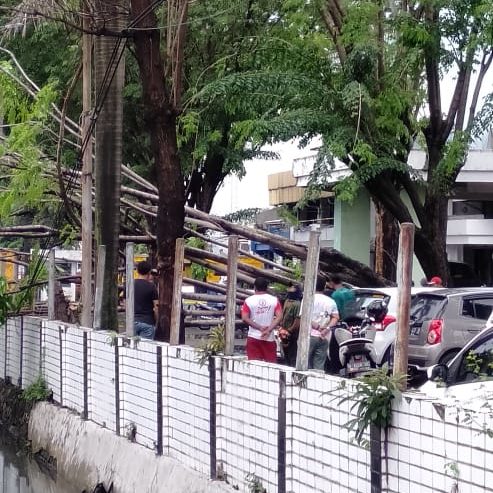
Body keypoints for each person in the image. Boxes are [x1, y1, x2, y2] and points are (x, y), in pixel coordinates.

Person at [241, 277, 283, 362]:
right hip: (269, 338)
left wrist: (259, 328)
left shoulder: (248, 301)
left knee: (254, 367)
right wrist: (268, 330)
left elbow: (244, 318)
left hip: (253, 337)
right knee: (270, 367)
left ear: (255, 287)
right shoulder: (274, 300)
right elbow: (279, 316)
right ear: (267, 288)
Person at [307, 278, 339, 370]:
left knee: (305, 364)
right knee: (319, 365)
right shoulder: (330, 301)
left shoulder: (308, 299)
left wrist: (316, 326)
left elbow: (303, 316)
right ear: (324, 287)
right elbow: (336, 317)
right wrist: (326, 329)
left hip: (309, 336)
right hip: (324, 337)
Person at [133, 260, 159, 339]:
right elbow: (156, 307)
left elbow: (125, 303)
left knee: (131, 349)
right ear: (149, 272)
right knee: (145, 349)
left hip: (132, 322)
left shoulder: (129, 284)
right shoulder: (152, 287)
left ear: (137, 271)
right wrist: (157, 322)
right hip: (147, 323)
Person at [278, 284, 302, 366]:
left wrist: (290, 330)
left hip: (292, 332)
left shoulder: (297, 304)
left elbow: (297, 319)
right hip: (284, 330)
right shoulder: (287, 301)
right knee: (285, 353)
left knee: (292, 353)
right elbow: (283, 315)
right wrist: (281, 327)